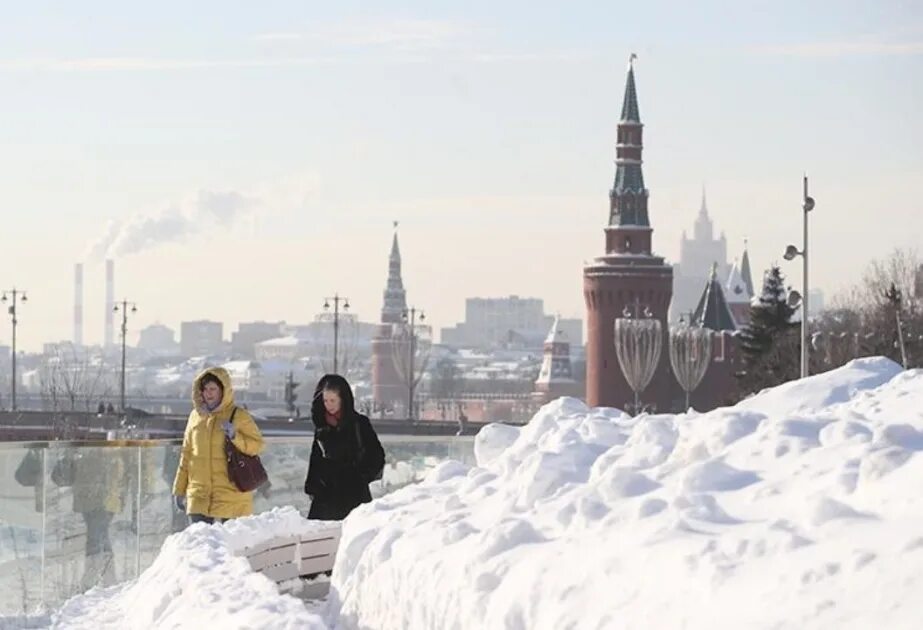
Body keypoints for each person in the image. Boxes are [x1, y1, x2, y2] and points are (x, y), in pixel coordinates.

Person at [172, 367, 264, 525]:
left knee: (229, 547)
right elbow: (186, 455)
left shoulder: (239, 416)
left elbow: (257, 445)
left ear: (224, 390)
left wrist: (236, 437)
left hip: (231, 497)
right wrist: (179, 490)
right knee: (199, 545)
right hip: (198, 496)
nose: (208, 393)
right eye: (205, 389)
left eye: (213, 389)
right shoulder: (195, 417)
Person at [304, 374, 385, 521]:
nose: (329, 405)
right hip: (326, 496)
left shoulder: (359, 424)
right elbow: (315, 459)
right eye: (325, 400)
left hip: (354, 494)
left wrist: (361, 476)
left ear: (343, 399)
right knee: (323, 538)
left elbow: (377, 455)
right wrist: (313, 486)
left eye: (333, 400)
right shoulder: (322, 427)